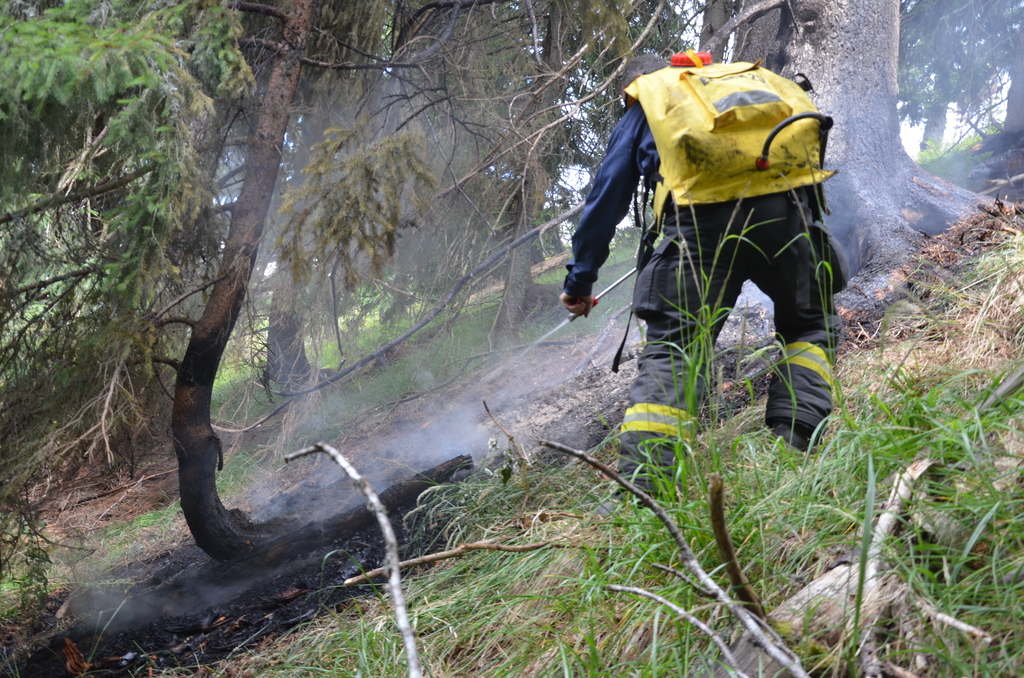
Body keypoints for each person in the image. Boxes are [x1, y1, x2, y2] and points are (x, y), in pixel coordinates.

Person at [561, 53, 847, 494]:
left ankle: (645, 490)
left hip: (700, 230)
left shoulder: (649, 99)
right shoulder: (745, 83)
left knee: (676, 350)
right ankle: (794, 446)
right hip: (787, 216)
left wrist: (580, 282)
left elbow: (606, 197)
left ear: (631, 86)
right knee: (809, 325)